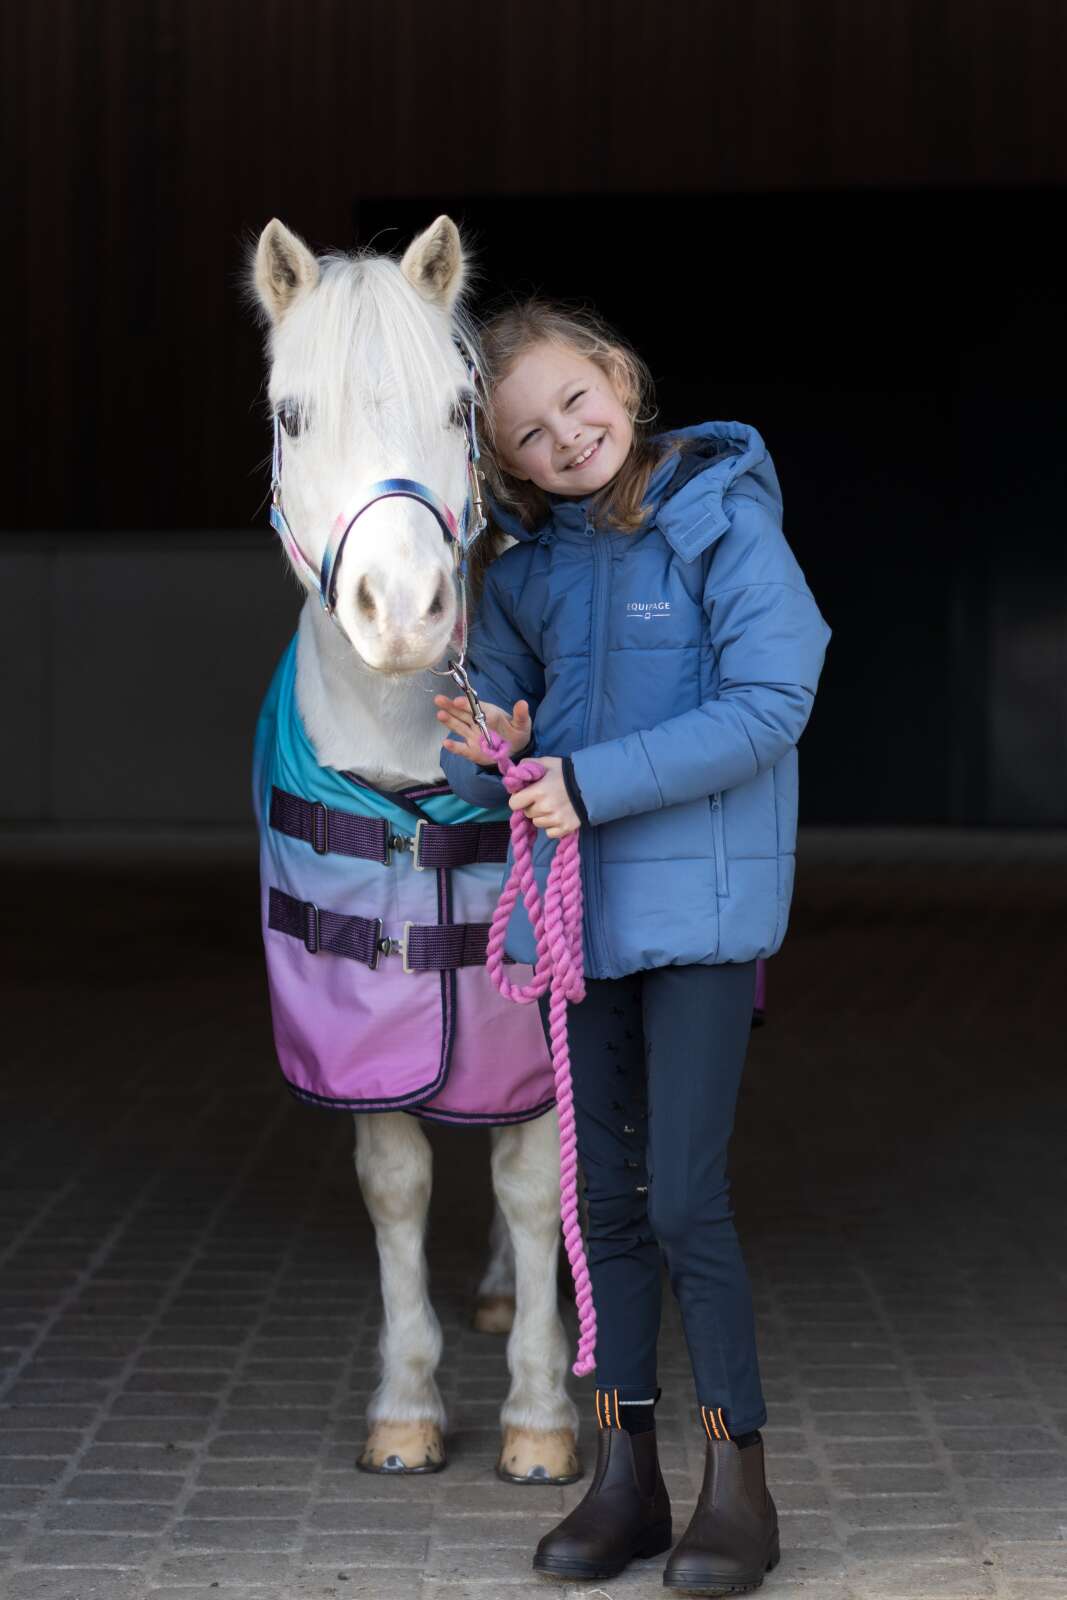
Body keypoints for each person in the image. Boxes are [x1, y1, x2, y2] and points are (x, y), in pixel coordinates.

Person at [435, 298, 830, 1592]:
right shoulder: (529, 564)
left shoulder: (722, 518)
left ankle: (738, 1479)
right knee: (598, 1201)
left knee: (687, 1193)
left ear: (618, 374)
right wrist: (475, 729)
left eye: (575, 402)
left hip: (702, 920)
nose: (565, 439)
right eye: (531, 438)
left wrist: (591, 783)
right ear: (505, 464)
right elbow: (495, 694)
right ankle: (628, 1479)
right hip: (580, 921)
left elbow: (774, 697)